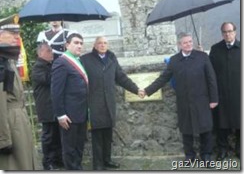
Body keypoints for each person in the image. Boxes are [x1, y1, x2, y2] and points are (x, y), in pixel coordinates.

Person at [141, 32, 218, 167]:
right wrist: (147, 91)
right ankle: (190, 156)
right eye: (185, 42)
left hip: (202, 99)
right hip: (184, 101)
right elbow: (163, 78)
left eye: (190, 41)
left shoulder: (202, 56)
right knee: (186, 130)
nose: (188, 44)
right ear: (179, 45)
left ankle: (206, 155)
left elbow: (211, 79)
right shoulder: (174, 60)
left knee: (205, 128)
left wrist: (214, 99)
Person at [80, 36, 141, 170]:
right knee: (97, 136)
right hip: (94, 103)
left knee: (108, 134)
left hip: (109, 103)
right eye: (100, 43)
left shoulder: (112, 58)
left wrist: (136, 90)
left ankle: (107, 160)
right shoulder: (85, 60)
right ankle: (98, 165)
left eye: (105, 43)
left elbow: (121, 77)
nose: (103, 45)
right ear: (95, 46)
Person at [0, 14, 38, 170]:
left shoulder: (7, 59)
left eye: (18, 33)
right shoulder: (1, 63)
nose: (18, 37)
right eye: (13, 34)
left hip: (17, 119)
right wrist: (3, 139)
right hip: (10, 123)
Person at [51, 33, 88, 170]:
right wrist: (60, 114)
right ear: (67, 45)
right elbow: (56, 91)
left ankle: (78, 168)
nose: (79, 46)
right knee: (70, 149)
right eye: (76, 43)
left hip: (81, 114)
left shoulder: (79, 61)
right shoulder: (61, 62)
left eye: (81, 43)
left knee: (79, 147)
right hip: (69, 116)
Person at [209, 22, 240, 160]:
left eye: (230, 31)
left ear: (235, 32)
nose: (227, 34)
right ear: (222, 34)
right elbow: (209, 71)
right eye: (224, 32)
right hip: (221, 94)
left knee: (241, 123)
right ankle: (222, 150)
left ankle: (240, 149)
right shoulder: (215, 49)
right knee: (221, 124)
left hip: (240, 94)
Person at [31, 42, 63, 170]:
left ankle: (57, 159)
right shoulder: (38, 67)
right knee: (48, 135)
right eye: (49, 51)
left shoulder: (51, 65)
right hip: (46, 106)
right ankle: (47, 161)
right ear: (41, 53)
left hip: (54, 106)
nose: (52, 53)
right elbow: (49, 79)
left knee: (57, 135)